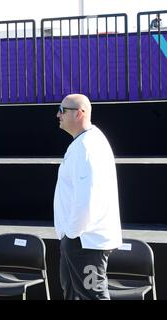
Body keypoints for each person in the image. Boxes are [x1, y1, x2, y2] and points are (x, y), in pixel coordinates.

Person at [54, 94, 122, 300]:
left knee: (92, 296)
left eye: (62, 110)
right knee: (73, 294)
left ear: (79, 113)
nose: (58, 114)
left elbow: (86, 197)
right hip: (80, 240)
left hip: (85, 241)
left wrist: (72, 233)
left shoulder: (87, 146)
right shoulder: (85, 142)